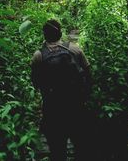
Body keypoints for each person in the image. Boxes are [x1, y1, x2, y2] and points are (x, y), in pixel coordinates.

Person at [31, 19, 92, 161]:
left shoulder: (38, 55)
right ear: (60, 33)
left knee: (57, 150)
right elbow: (89, 74)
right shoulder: (74, 49)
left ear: (44, 34)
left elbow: (36, 83)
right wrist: (85, 96)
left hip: (52, 110)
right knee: (81, 147)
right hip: (76, 107)